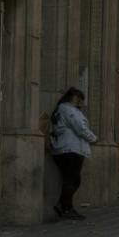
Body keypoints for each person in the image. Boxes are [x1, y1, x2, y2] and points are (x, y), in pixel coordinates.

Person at [48, 87, 97, 220]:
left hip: (64, 148)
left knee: (70, 179)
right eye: (79, 98)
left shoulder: (61, 109)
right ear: (74, 97)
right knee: (73, 179)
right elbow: (80, 128)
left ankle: (65, 207)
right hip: (71, 148)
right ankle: (65, 207)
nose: (80, 102)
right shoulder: (68, 109)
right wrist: (93, 138)